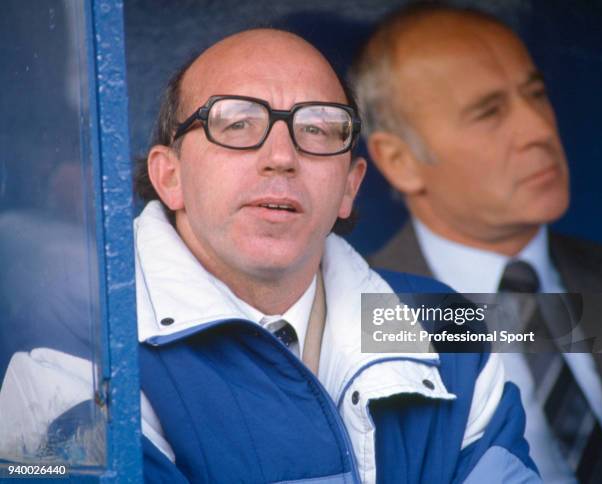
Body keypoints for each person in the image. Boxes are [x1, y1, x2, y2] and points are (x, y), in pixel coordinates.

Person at [1, 28, 537, 483]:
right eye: (236, 125)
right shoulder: (80, 348)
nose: (281, 157)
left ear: (350, 186)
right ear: (169, 176)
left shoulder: (445, 325)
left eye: (318, 129)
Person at [352, 4, 602, 483]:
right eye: (488, 112)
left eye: (536, 95)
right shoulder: (360, 317)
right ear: (400, 160)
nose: (539, 130)